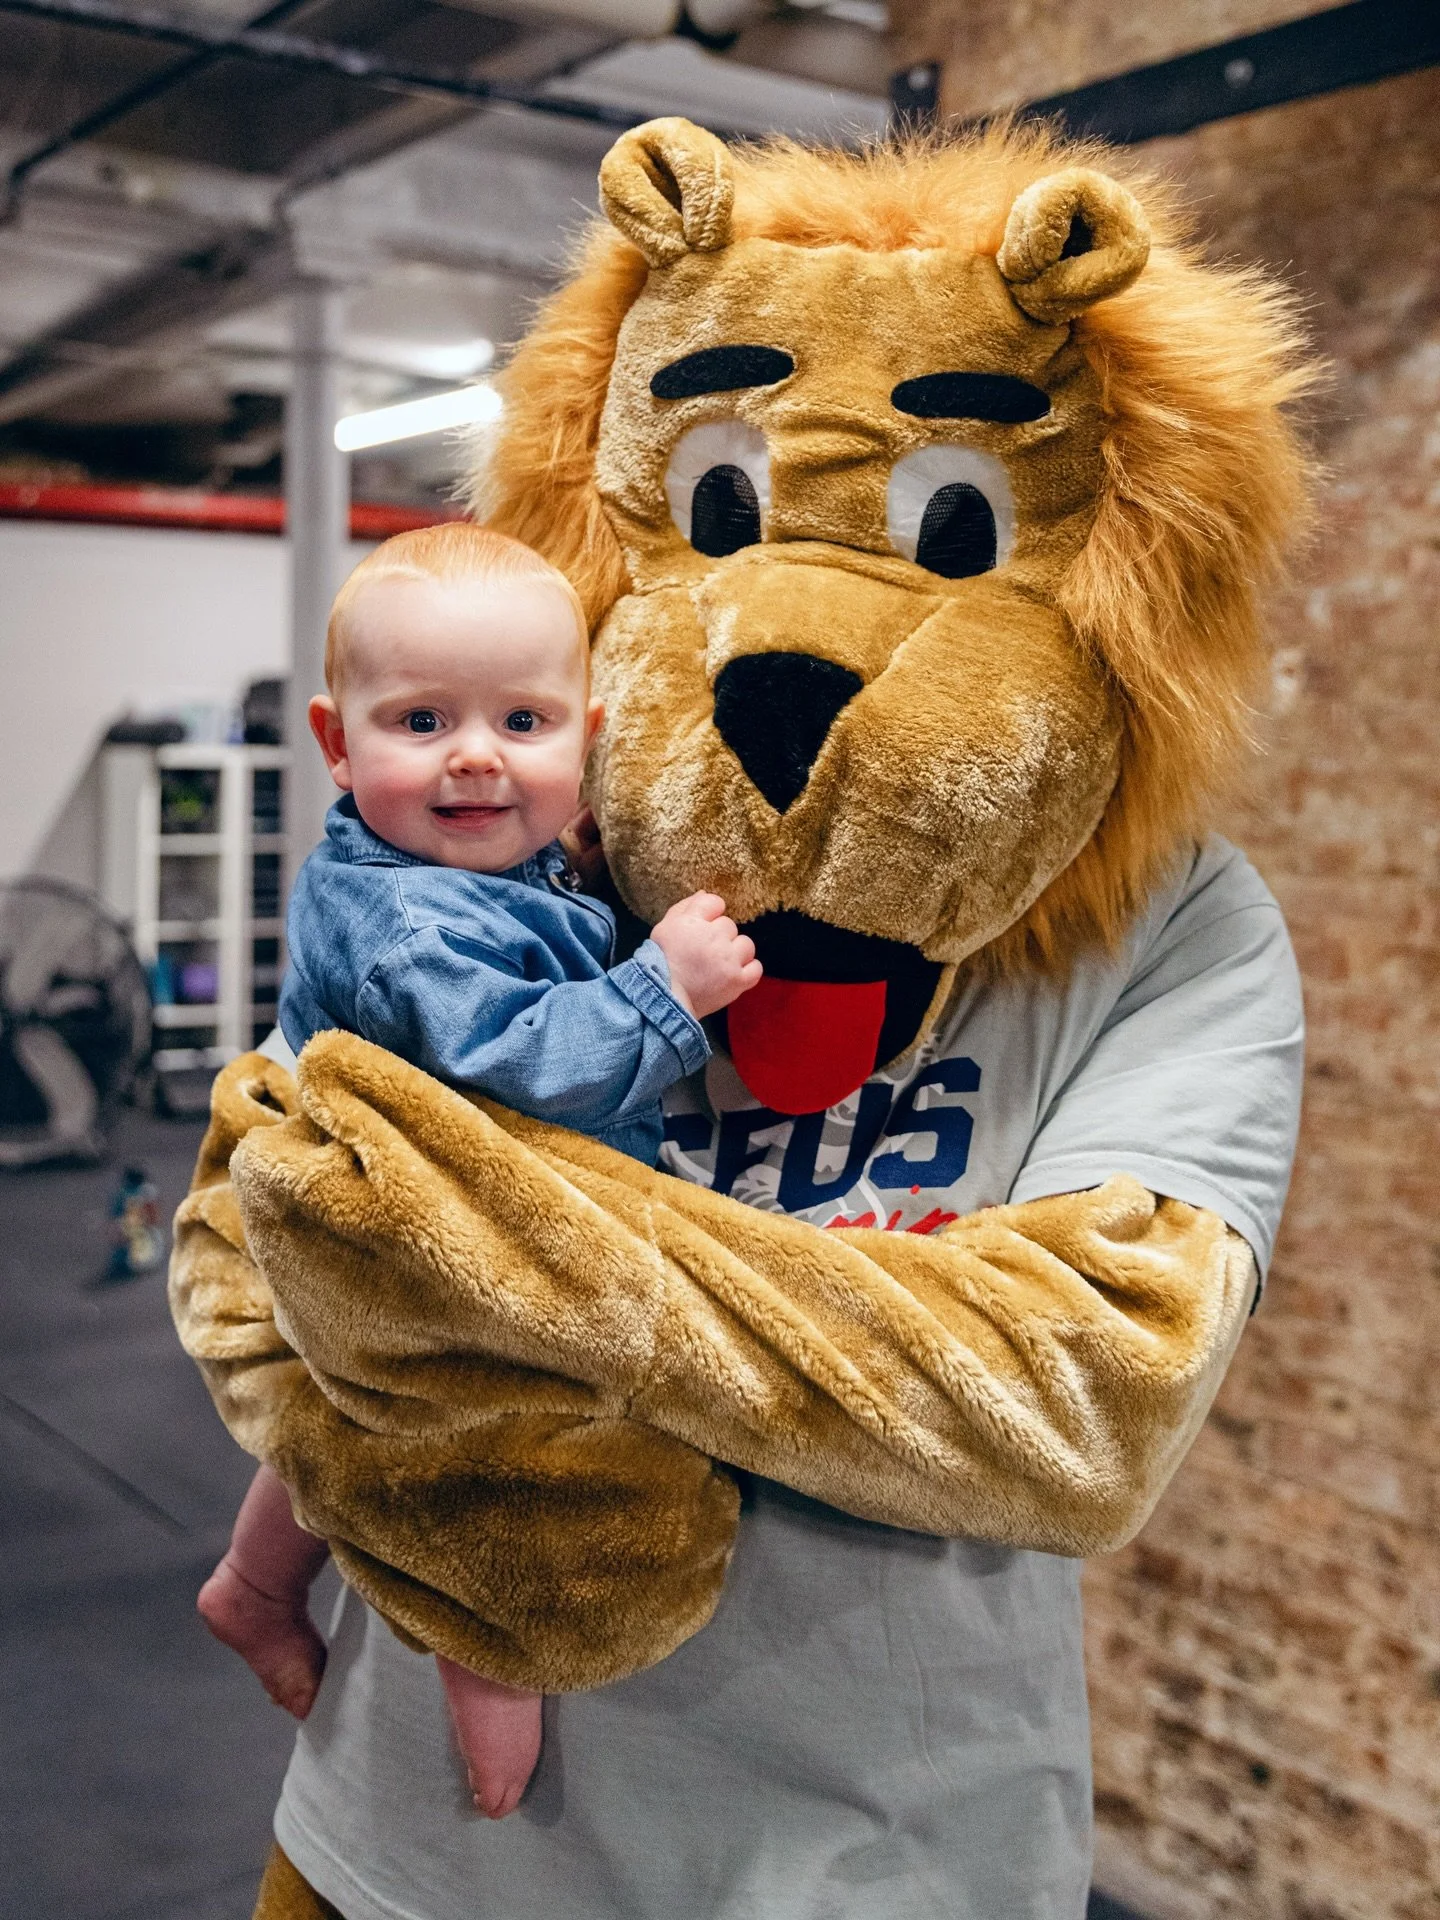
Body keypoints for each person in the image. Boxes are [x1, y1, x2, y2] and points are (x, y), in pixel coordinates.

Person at [195, 521, 761, 1821]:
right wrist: (661, 992)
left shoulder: (474, 864)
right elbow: (517, 1059)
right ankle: (491, 1681)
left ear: (588, 737)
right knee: (476, 1450)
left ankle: (252, 1583)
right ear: (339, 745)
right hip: (422, 1242)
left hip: (408, 1236)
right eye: (422, 721)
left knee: (344, 1421)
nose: (474, 756)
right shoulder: (411, 921)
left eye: (522, 720)